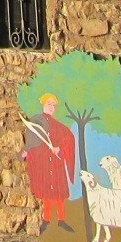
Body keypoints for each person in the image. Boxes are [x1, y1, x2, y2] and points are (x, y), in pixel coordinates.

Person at [22, 93, 77, 230]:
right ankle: (46, 219)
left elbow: (68, 138)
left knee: (58, 192)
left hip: (56, 162)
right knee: (47, 191)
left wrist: (59, 149)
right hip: (44, 162)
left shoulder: (59, 126)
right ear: (43, 104)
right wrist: (27, 151)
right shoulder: (37, 121)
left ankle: (61, 219)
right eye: (49, 104)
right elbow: (32, 141)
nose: (52, 107)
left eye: (53, 104)